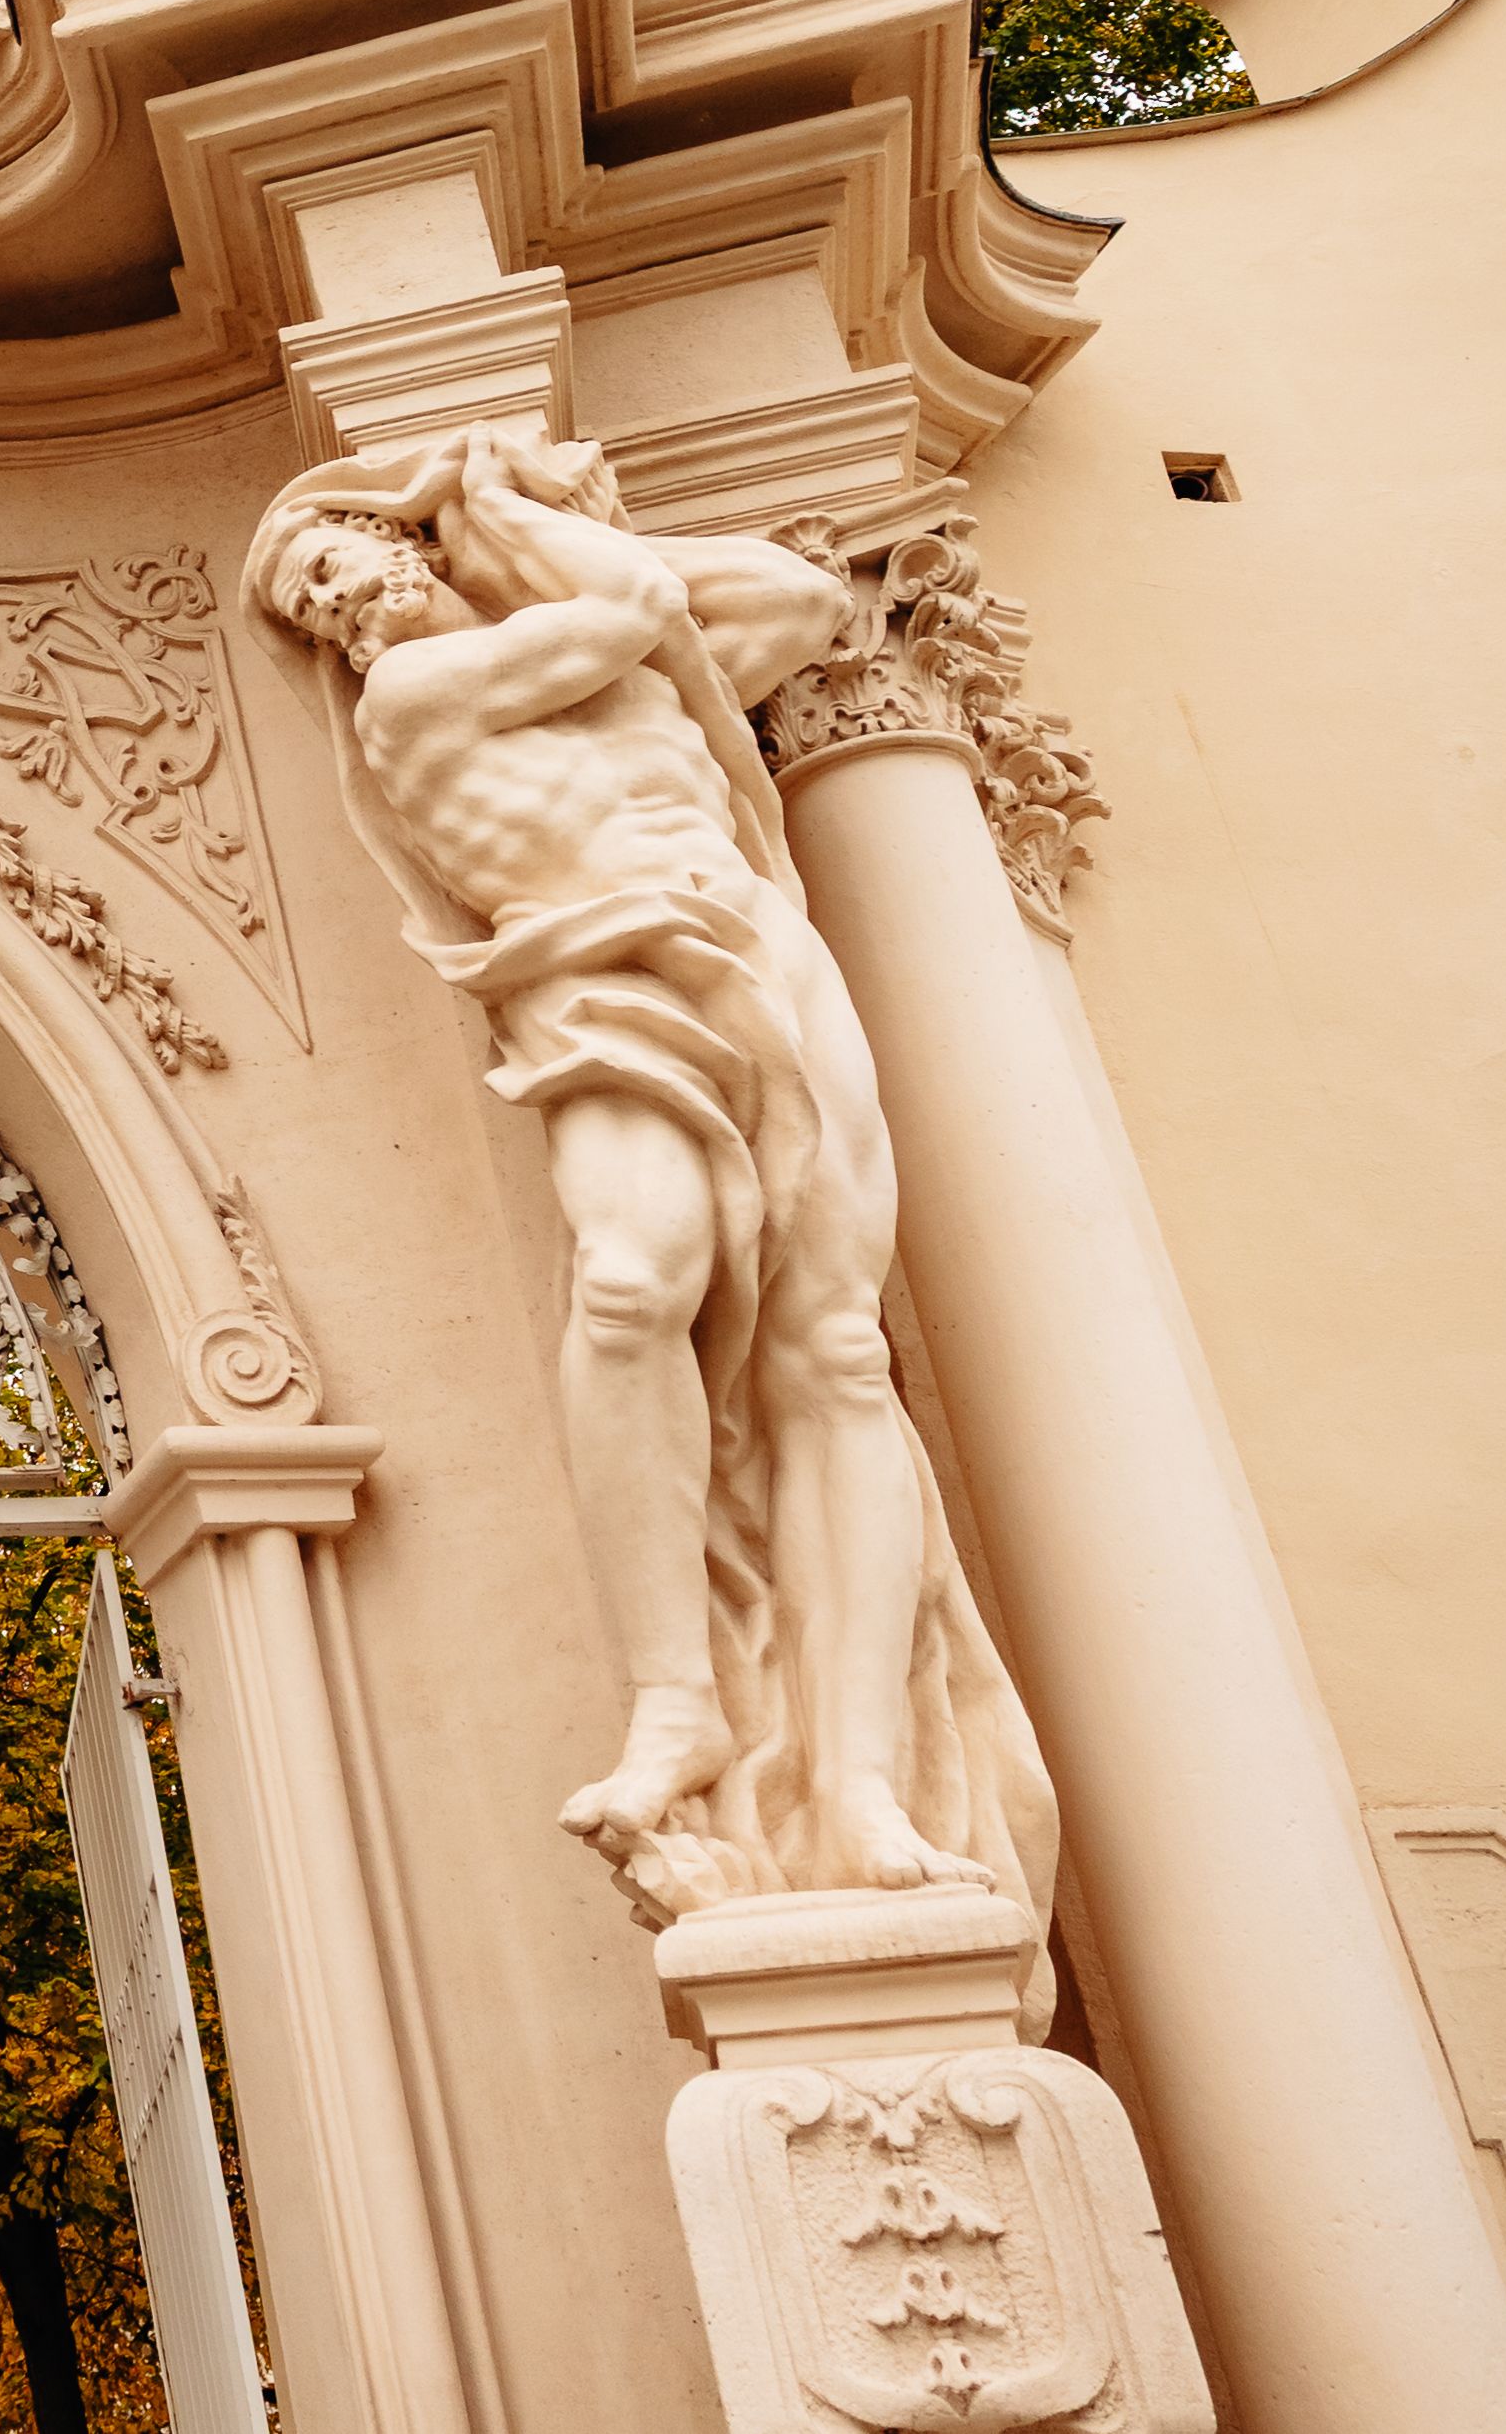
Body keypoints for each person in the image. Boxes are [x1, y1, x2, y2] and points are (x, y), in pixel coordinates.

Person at [243, 425, 1049, 1923]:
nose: (334, 602)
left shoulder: (574, 636)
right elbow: (635, 617)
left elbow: (800, 609)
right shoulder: (413, 700)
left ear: (407, 540)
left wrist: (509, 526)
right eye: (308, 603)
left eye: (339, 558)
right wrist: (503, 501)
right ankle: (677, 1697)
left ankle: (857, 1785)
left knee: (835, 1355)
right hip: (605, 981)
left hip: (759, 952)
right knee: (631, 1283)